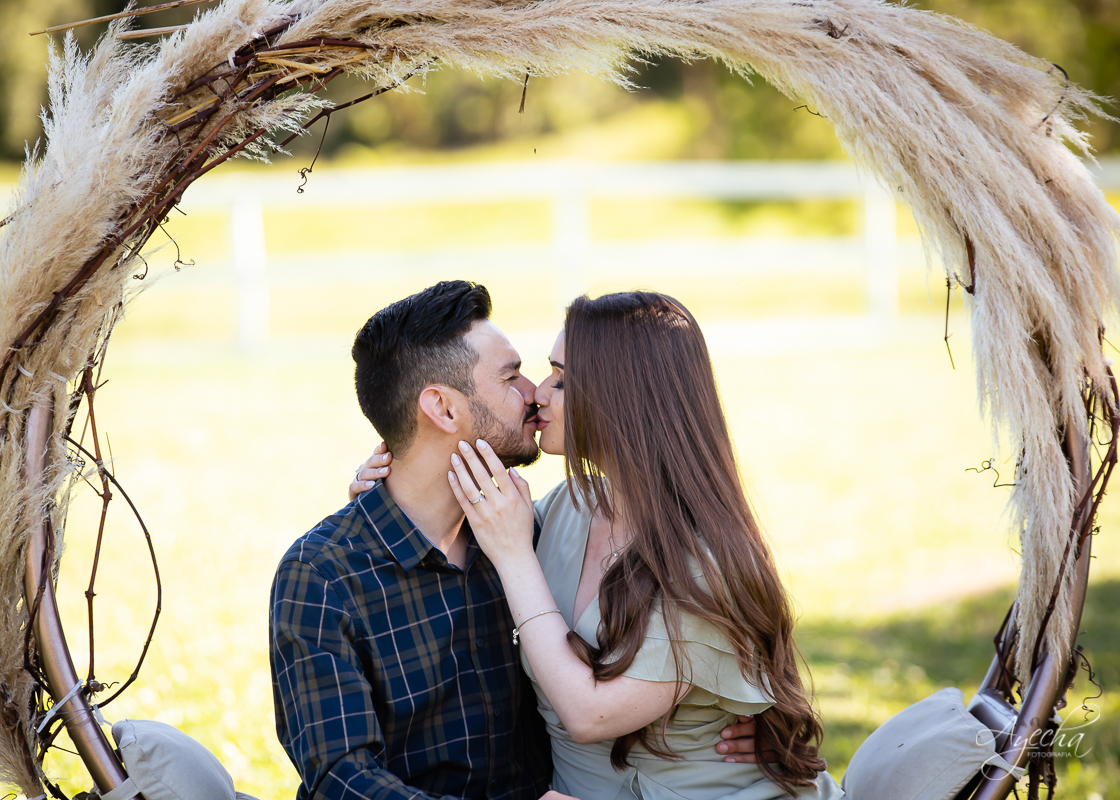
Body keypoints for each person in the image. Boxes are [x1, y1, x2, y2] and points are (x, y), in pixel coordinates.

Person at [272, 281, 760, 800]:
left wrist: (739, 725)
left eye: (554, 378)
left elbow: (711, 625)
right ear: (443, 408)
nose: (534, 393)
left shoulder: (524, 534)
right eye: (513, 376)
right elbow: (341, 780)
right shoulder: (324, 575)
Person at [358, 291, 844, 799]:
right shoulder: (569, 509)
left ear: (624, 398)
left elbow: (591, 716)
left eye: (562, 379)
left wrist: (515, 555)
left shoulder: (705, 560)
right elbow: (451, 543)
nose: (538, 394)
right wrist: (390, 494)